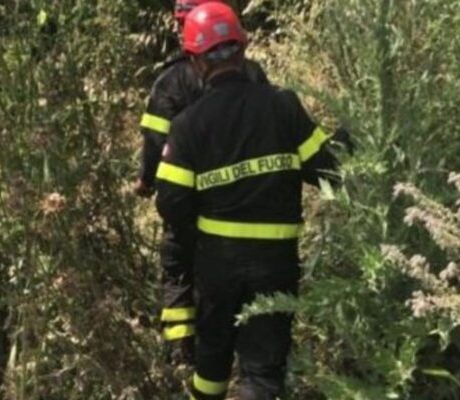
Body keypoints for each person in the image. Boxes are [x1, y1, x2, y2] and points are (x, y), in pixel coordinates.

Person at [155, 2, 353, 399]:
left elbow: (171, 205)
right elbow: (329, 177)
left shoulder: (188, 126)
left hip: (217, 264)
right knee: (263, 371)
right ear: (243, 50)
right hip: (275, 261)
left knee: (211, 362)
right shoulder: (283, 105)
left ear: (195, 61)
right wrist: (352, 137)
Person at [135, 0, 269, 366]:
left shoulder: (170, 81)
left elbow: (153, 143)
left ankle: (184, 354)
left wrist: (146, 181)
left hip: (186, 200)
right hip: (242, 201)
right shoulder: (252, 74)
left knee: (177, 265)